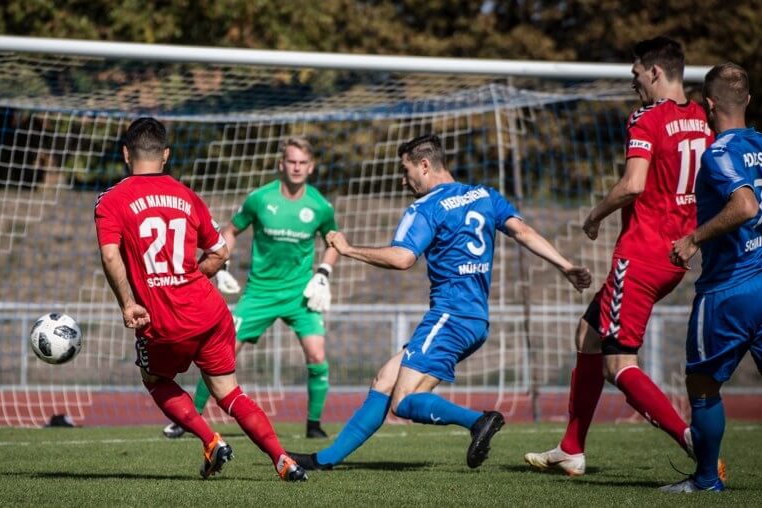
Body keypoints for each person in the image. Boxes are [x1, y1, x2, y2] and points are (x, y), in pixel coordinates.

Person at [286, 134, 592, 470]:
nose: (405, 181)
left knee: (403, 402)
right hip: (474, 320)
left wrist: (349, 250)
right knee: (384, 381)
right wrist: (565, 265)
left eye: (406, 172)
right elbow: (523, 231)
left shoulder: (426, 207)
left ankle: (479, 421)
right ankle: (324, 459)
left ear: (425, 165)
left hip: (449, 316)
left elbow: (403, 258)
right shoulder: (484, 195)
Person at [524, 36, 714, 476]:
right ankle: (571, 447)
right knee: (587, 335)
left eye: (635, 74)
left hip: (641, 254)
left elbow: (633, 185)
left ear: (655, 71)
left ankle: (693, 440)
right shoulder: (703, 120)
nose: (634, 83)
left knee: (617, 364)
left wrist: (594, 216)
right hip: (675, 255)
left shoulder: (647, 118)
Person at [94, 117, 307, 482]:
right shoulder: (186, 195)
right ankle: (283, 459)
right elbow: (220, 252)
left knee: (155, 379)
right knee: (229, 393)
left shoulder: (111, 200)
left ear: (126, 153)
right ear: (165, 155)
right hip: (210, 313)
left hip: (162, 320)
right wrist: (192, 275)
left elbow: (110, 254)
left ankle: (210, 440)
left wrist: (128, 303)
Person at [661, 63, 762, 493]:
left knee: (702, 384)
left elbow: (743, 206)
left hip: (729, 288)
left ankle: (706, 481)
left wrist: (693, 238)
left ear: (707, 105)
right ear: (748, 100)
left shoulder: (719, 152)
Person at [164, 136, 340, 440]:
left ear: (310, 167)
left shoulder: (320, 206)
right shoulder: (260, 198)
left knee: (317, 355)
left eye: (302, 163)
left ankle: (313, 425)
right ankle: (187, 419)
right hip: (259, 293)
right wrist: (223, 265)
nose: (296, 168)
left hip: (300, 296)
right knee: (222, 353)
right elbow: (231, 230)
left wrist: (323, 272)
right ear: (281, 164)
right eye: (291, 161)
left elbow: (334, 241)